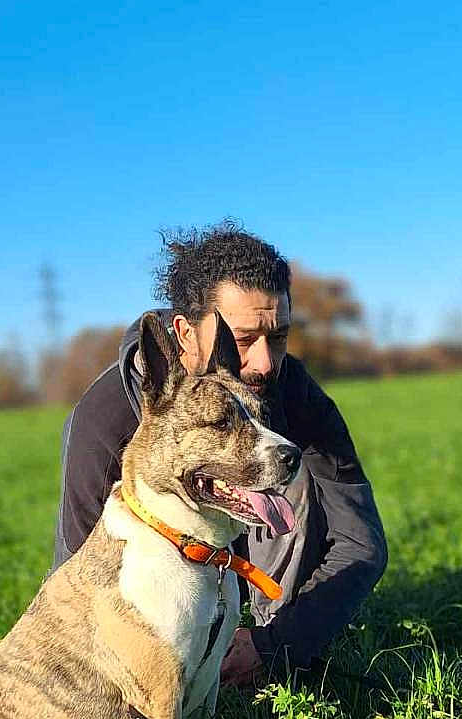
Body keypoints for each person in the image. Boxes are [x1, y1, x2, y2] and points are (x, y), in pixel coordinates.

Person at [52, 223, 388, 688]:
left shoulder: (293, 392)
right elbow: (74, 588)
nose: (266, 363)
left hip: (262, 605)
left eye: (279, 336)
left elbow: (361, 544)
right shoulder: (104, 423)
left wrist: (278, 645)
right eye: (244, 339)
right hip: (154, 622)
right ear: (186, 333)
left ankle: (267, 670)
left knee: (286, 466)